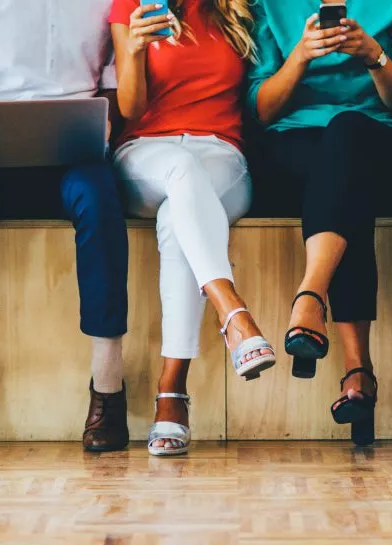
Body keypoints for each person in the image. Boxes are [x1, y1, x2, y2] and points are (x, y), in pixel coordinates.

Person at [0, 0, 129, 454]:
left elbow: (116, 85)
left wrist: (106, 118)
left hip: (75, 150)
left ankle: (108, 390)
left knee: (100, 204)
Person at [248, 0, 392, 445]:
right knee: (344, 180)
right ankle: (357, 371)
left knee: (347, 138)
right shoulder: (269, 5)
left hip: (381, 136)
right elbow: (261, 108)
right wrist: (300, 57)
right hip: (295, 145)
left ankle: (310, 298)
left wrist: (374, 56)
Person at [110, 0, 274, 456]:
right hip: (146, 154)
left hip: (223, 157)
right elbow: (129, 107)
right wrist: (137, 50)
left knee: (176, 219)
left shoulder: (237, 9)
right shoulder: (132, 8)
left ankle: (171, 393)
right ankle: (232, 311)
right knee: (181, 171)